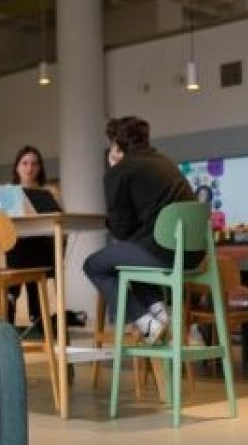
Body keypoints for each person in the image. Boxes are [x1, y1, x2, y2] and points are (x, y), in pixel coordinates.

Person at [82, 116, 197, 344]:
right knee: (133, 256)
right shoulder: (166, 162)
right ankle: (162, 315)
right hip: (194, 254)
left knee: (94, 265)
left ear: (116, 145)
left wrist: (114, 169)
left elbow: (121, 231)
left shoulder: (121, 171)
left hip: (163, 254)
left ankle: (146, 323)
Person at [4, 145, 57, 326]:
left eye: (34, 164)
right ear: (17, 167)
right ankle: (16, 305)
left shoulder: (48, 193)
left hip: (41, 248)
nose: (29, 168)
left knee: (37, 245)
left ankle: (34, 313)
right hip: (16, 247)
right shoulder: (8, 192)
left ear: (40, 168)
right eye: (24, 163)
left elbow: (56, 220)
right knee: (20, 246)